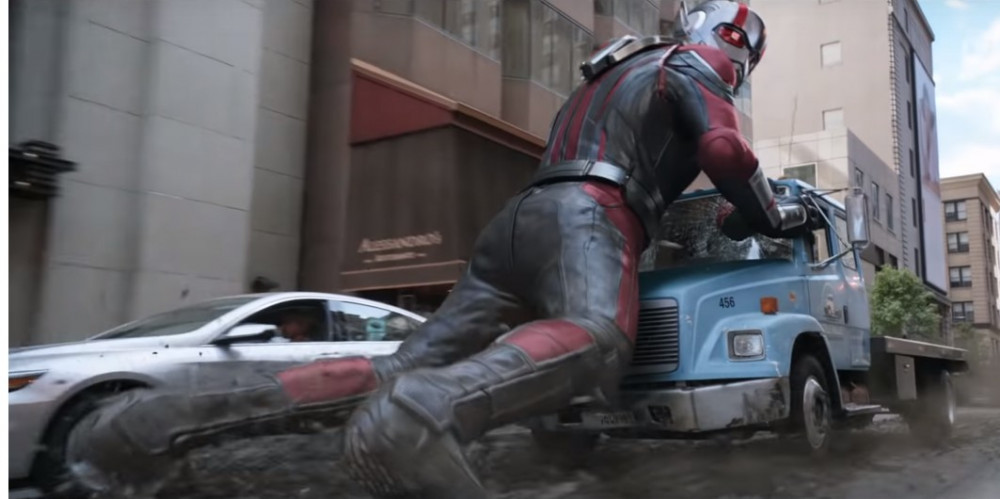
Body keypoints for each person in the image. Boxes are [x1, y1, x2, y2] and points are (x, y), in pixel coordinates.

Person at [65, 2, 819, 497]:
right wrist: (771, 209)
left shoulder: (613, 71)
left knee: (402, 364)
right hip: (595, 215)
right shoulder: (696, 63)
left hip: (523, 216)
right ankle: (423, 418)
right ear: (727, 39)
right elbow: (724, 148)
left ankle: (146, 425)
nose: (740, 64)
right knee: (594, 340)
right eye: (742, 50)